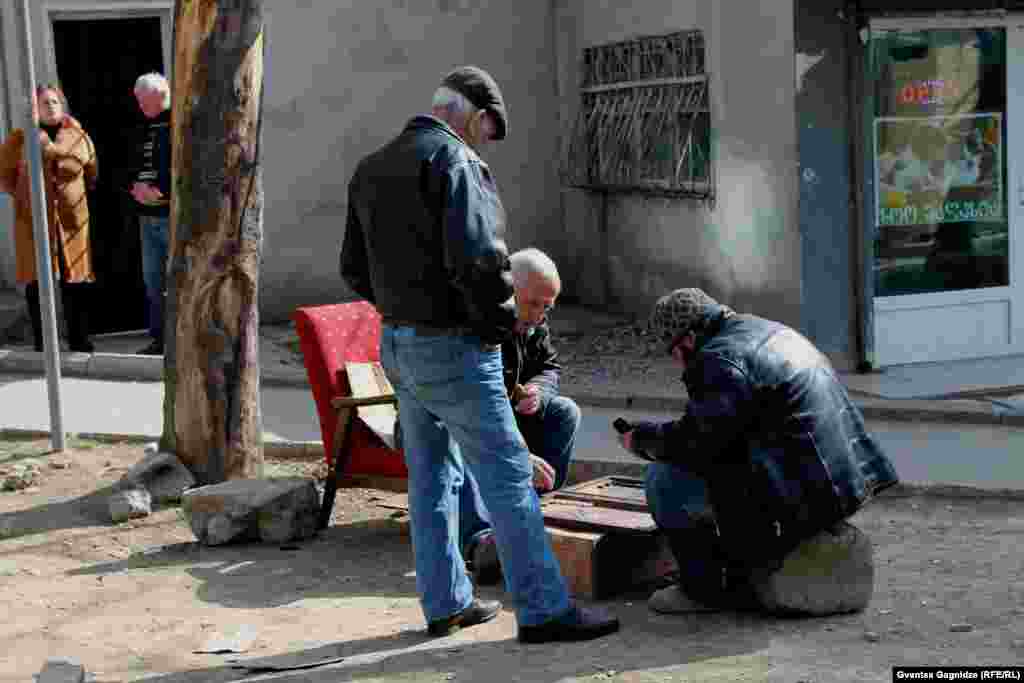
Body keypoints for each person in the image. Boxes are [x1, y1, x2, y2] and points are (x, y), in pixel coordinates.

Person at [341, 66, 619, 643]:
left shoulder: (371, 168)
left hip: (398, 342)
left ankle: (445, 604)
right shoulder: (457, 163)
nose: (484, 142)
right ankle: (544, 610)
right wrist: (495, 328)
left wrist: (402, 309)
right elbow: (482, 260)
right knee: (509, 479)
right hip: (456, 348)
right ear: (474, 113)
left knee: (430, 479)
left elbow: (352, 268)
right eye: (488, 130)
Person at [616, 288, 899, 614]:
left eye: (674, 351)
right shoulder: (767, 330)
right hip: (845, 485)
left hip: (801, 496)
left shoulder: (717, 360)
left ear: (688, 339)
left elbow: (698, 444)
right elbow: (723, 426)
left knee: (664, 478)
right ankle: (745, 564)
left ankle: (701, 589)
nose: (677, 361)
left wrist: (643, 441)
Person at [456, 247, 582, 585]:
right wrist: (519, 454)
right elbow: (473, 406)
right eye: (533, 304)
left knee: (564, 412)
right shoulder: (476, 323)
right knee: (455, 438)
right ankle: (481, 543)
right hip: (463, 419)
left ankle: (531, 515)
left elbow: (549, 368)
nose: (540, 315)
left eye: (547, 307)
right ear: (509, 291)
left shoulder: (533, 324)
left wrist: (538, 391)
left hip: (505, 415)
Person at [0, 84, 98, 353]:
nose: (51, 107)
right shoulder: (20, 140)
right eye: (45, 103)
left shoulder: (78, 136)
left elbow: (91, 173)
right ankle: (44, 342)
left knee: (75, 281)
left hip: (71, 222)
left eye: (55, 102)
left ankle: (79, 339)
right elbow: (5, 178)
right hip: (33, 222)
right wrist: (27, 197)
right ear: (34, 109)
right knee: (37, 282)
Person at [130, 72, 172, 356]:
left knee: (176, 279)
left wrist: (161, 190)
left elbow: (181, 165)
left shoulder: (175, 124)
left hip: (169, 214)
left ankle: (179, 340)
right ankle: (159, 340)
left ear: (160, 95)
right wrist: (134, 187)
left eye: (143, 101)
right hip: (146, 215)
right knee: (152, 280)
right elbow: (133, 161)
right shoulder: (143, 126)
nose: (140, 106)